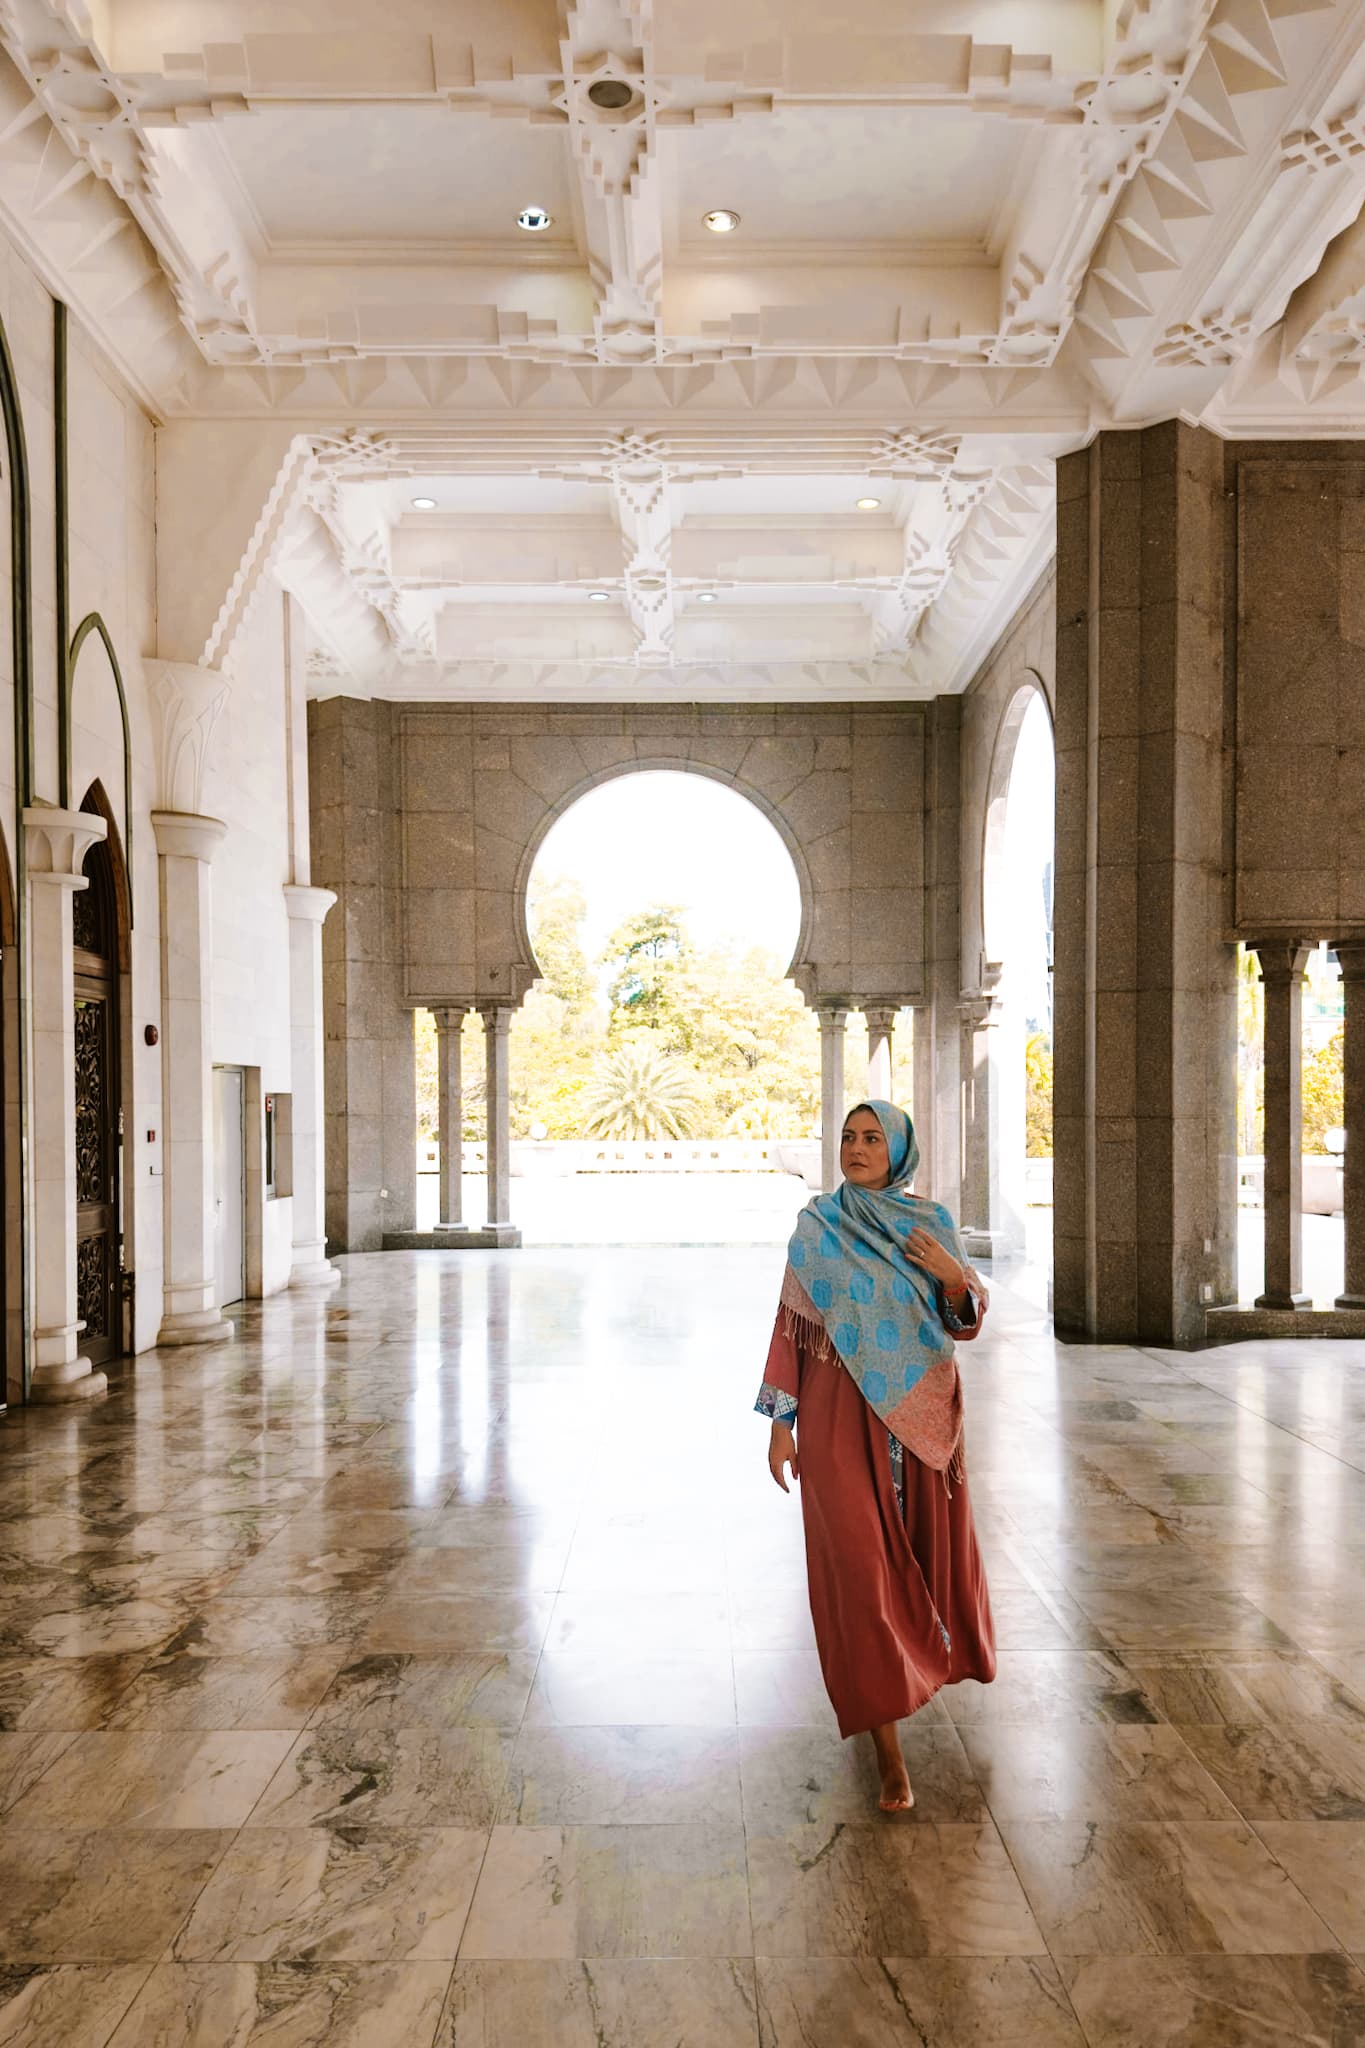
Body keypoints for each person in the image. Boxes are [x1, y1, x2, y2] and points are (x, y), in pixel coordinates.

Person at [755, 1099, 996, 1812]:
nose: (856, 1149)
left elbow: (965, 1319)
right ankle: (887, 1755)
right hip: (836, 1421)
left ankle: (920, 1676)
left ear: (898, 1150)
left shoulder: (930, 1226)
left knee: (923, 1562)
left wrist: (953, 1276)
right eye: (848, 1138)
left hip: (919, 1424)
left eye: (871, 1138)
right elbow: (789, 1329)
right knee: (858, 1575)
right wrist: (779, 1423)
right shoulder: (817, 1229)